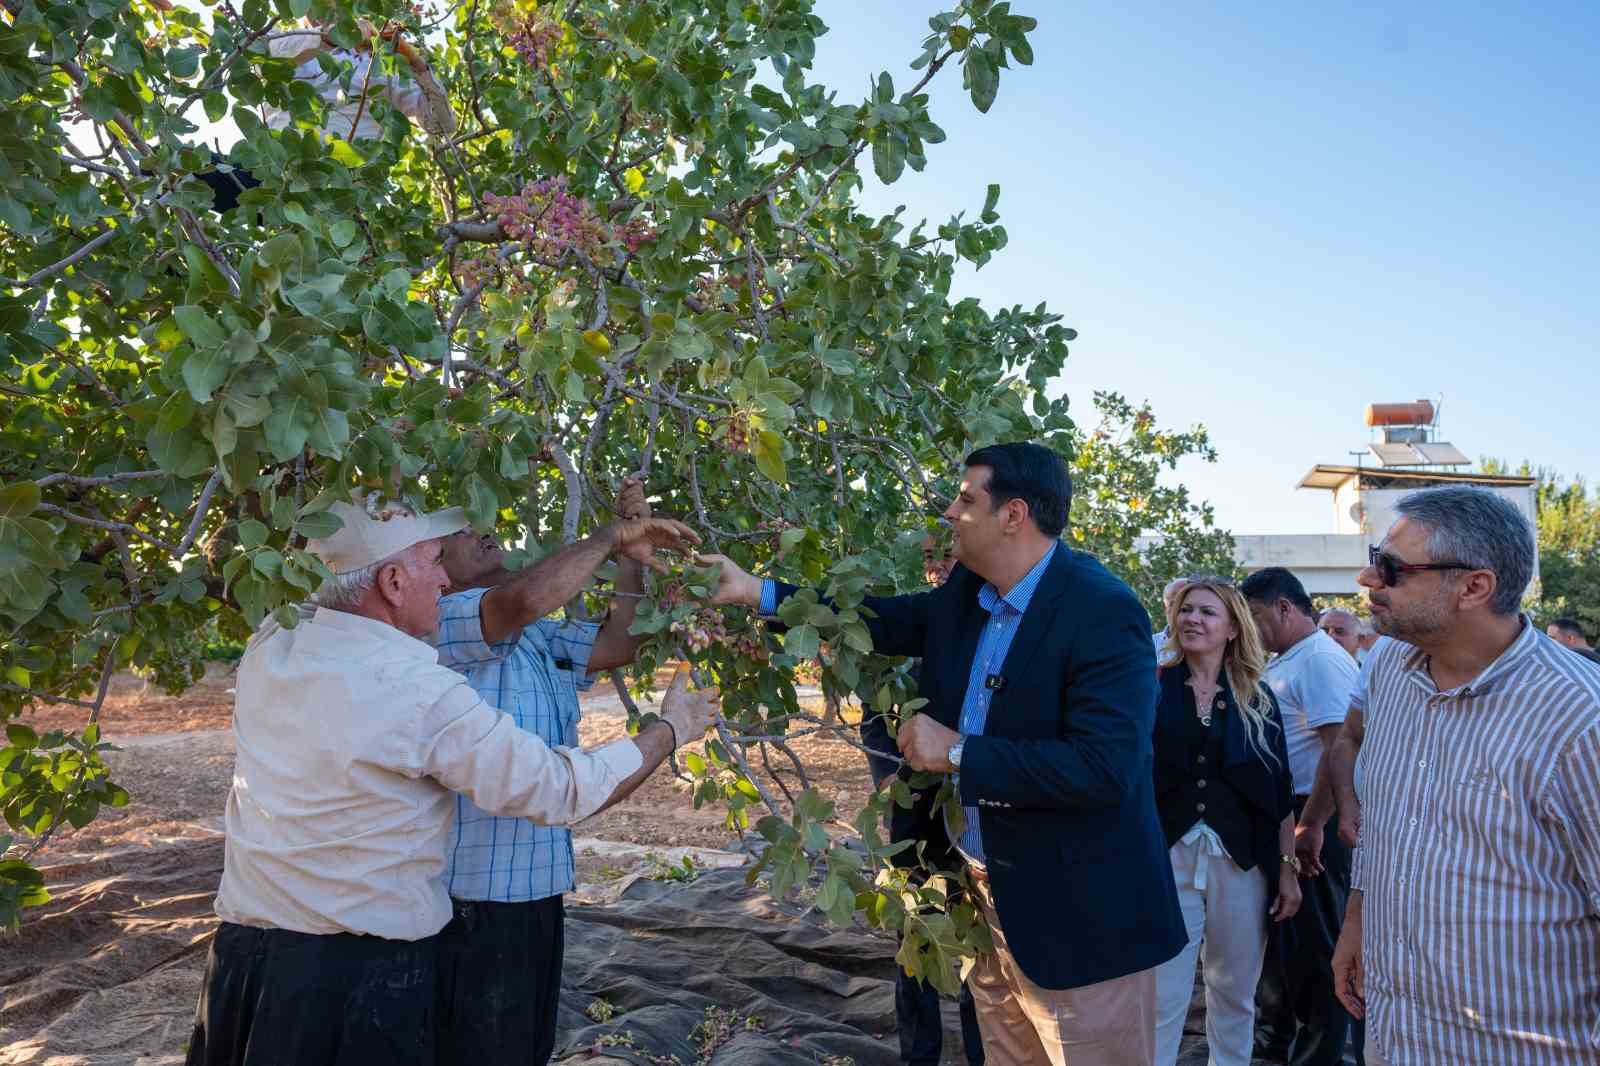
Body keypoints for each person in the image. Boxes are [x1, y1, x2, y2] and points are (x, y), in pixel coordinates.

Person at [184, 493, 718, 1066]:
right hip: (350, 977)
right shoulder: (414, 685)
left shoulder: (273, 641)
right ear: (391, 582)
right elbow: (559, 789)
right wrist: (669, 729)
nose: (440, 578)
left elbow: (602, 637)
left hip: (241, 961)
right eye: (433, 560)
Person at [709, 442, 1185, 1066]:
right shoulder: (971, 593)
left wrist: (960, 752)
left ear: (1013, 515)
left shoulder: (1103, 611)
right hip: (988, 904)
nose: (950, 511)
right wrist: (755, 592)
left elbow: (1105, 770)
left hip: (1079, 924)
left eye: (966, 498)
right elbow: (886, 618)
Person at [427, 476, 708, 1065]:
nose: (484, 529)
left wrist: (631, 559)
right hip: (470, 903)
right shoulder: (443, 621)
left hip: (534, 893)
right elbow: (522, 600)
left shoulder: (533, 638)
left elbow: (618, 642)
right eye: (460, 528)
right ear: (435, 565)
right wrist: (610, 536)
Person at [1331, 486, 1600, 1064]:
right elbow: (1383, 822)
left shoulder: (1581, 720)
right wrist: (1356, 919)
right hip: (1395, 1028)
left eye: (1390, 568)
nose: (1367, 579)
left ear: (1475, 587)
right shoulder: (1387, 667)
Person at [1152, 578, 1301, 1066]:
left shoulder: (1258, 698)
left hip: (1241, 863)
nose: (1193, 619)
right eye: (1187, 610)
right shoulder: (1150, 685)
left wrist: (1286, 871)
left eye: (1208, 613)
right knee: (1162, 996)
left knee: (1235, 995)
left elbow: (1278, 795)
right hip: (1166, 858)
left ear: (1234, 627)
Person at [858, 529, 985, 1066]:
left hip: (977, 809)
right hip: (914, 813)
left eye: (949, 555)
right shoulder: (912, 628)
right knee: (917, 936)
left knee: (981, 943)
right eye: (934, 557)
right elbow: (874, 716)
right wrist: (888, 774)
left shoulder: (994, 628)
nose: (941, 565)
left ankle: (986, 1051)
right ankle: (920, 1056)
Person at [1239, 567, 1361, 1066]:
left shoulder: (1320, 661)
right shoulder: (1288, 659)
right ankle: (1275, 1049)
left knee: (1316, 951)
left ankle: (1320, 1058)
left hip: (1316, 817)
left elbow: (1341, 748)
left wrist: (1311, 825)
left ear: (1285, 607)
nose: (1250, 628)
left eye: (1256, 616)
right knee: (1283, 949)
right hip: (1288, 818)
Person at [1152, 576, 1190, 666]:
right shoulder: (1148, 645)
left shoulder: (1212, 646)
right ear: (1165, 607)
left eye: (1187, 605)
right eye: (1175, 603)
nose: (1180, 608)